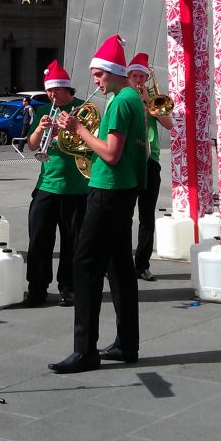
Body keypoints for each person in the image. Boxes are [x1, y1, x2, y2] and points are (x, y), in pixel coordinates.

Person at [49, 34, 147, 375]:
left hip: (108, 190)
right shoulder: (132, 97)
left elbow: (110, 153)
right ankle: (127, 343)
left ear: (115, 72)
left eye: (99, 75)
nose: (96, 82)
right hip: (123, 189)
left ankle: (84, 350)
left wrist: (78, 128)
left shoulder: (120, 102)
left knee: (85, 264)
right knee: (119, 266)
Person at [23, 61, 89, 307]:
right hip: (47, 185)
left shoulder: (83, 108)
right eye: (49, 91)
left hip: (77, 186)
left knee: (73, 241)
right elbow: (32, 145)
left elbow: (93, 143)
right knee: (39, 240)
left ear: (67, 89)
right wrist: (40, 130)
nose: (52, 95)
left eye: (56, 90)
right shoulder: (43, 110)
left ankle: (69, 288)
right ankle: (37, 288)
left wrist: (74, 128)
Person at [126, 53, 173, 282]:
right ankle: (120, 263)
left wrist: (148, 101)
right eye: (134, 76)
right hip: (128, 160)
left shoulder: (153, 99)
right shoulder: (123, 98)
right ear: (128, 76)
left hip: (150, 161)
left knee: (147, 216)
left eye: (141, 76)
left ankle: (141, 265)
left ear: (146, 78)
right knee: (123, 215)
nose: (138, 80)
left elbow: (169, 124)